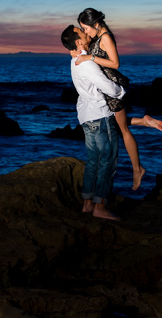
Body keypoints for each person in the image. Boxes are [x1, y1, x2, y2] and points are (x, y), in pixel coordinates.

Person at [75, 8, 162, 190]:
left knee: (122, 130)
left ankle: (137, 169)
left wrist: (89, 58)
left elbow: (115, 63)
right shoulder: (97, 35)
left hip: (112, 89)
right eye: (82, 29)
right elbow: (85, 48)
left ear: (96, 24)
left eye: (85, 28)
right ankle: (145, 121)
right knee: (114, 126)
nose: (85, 32)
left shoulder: (106, 37)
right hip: (105, 88)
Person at [61, 24, 124, 220]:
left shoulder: (74, 61)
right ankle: (100, 207)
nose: (86, 32)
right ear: (78, 42)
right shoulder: (87, 63)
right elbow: (111, 90)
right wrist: (122, 91)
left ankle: (87, 204)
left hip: (86, 116)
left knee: (93, 162)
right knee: (108, 160)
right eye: (82, 32)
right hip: (99, 115)